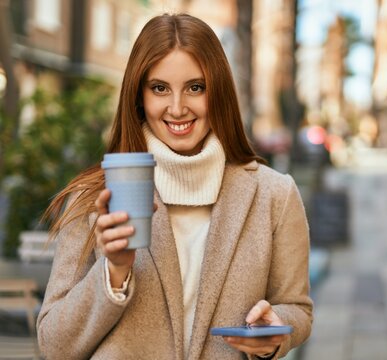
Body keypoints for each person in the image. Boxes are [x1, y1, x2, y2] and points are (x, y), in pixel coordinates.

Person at [37, 13, 312, 359]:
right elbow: (53, 345)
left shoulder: (275, 195)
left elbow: (297, 309)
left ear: (219, 92)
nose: (178, 108)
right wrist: (114, 271)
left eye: (196, 87)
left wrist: (276, 328)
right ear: (139, 96)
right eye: (160, 88)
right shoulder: (95, 197)